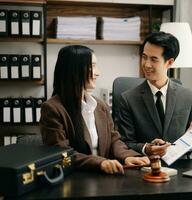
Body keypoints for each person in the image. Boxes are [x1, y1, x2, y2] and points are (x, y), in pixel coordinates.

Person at [40, 45, 149, 174]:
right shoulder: (52, 109)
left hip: (104, 178)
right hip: (75, 179)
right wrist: (100, 162)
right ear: (75, 70)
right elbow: (61, 153)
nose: (98, 72)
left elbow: (114, 140)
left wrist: (128, 156)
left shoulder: (100, 105)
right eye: (93, 66)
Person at [118, 32, 192, 157]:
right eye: (144, 57)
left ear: (170, 62)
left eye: (153, 59)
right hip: (144, 167)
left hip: (179, 167)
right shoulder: (128, 99)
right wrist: (147, 148)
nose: (146, 64)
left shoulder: (189, 96)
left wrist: (185, 145)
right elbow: (124, 142)